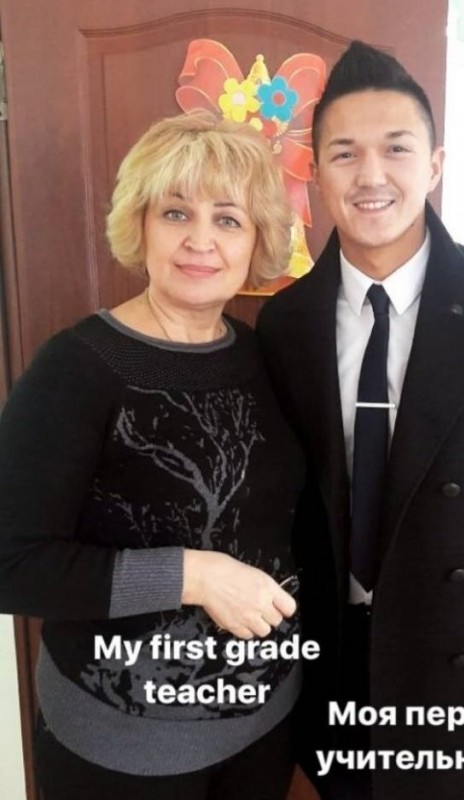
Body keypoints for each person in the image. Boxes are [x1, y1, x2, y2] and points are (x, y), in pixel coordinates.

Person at [256, 41, 464, 800]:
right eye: (345, 153)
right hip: (335, 673)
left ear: (435, 165)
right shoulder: (285, 322)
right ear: (314, 172)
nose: (371, 175)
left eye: (397, 149)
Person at [0, 111, 305, 800]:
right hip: (121, 748)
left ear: (257, 239)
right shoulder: (75, 369)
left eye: (228, 219)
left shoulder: (263, 358)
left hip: (266, 723)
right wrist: (192, 576)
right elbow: (10, 565)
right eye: (175, 212)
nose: (201, 240)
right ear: (140, 225)